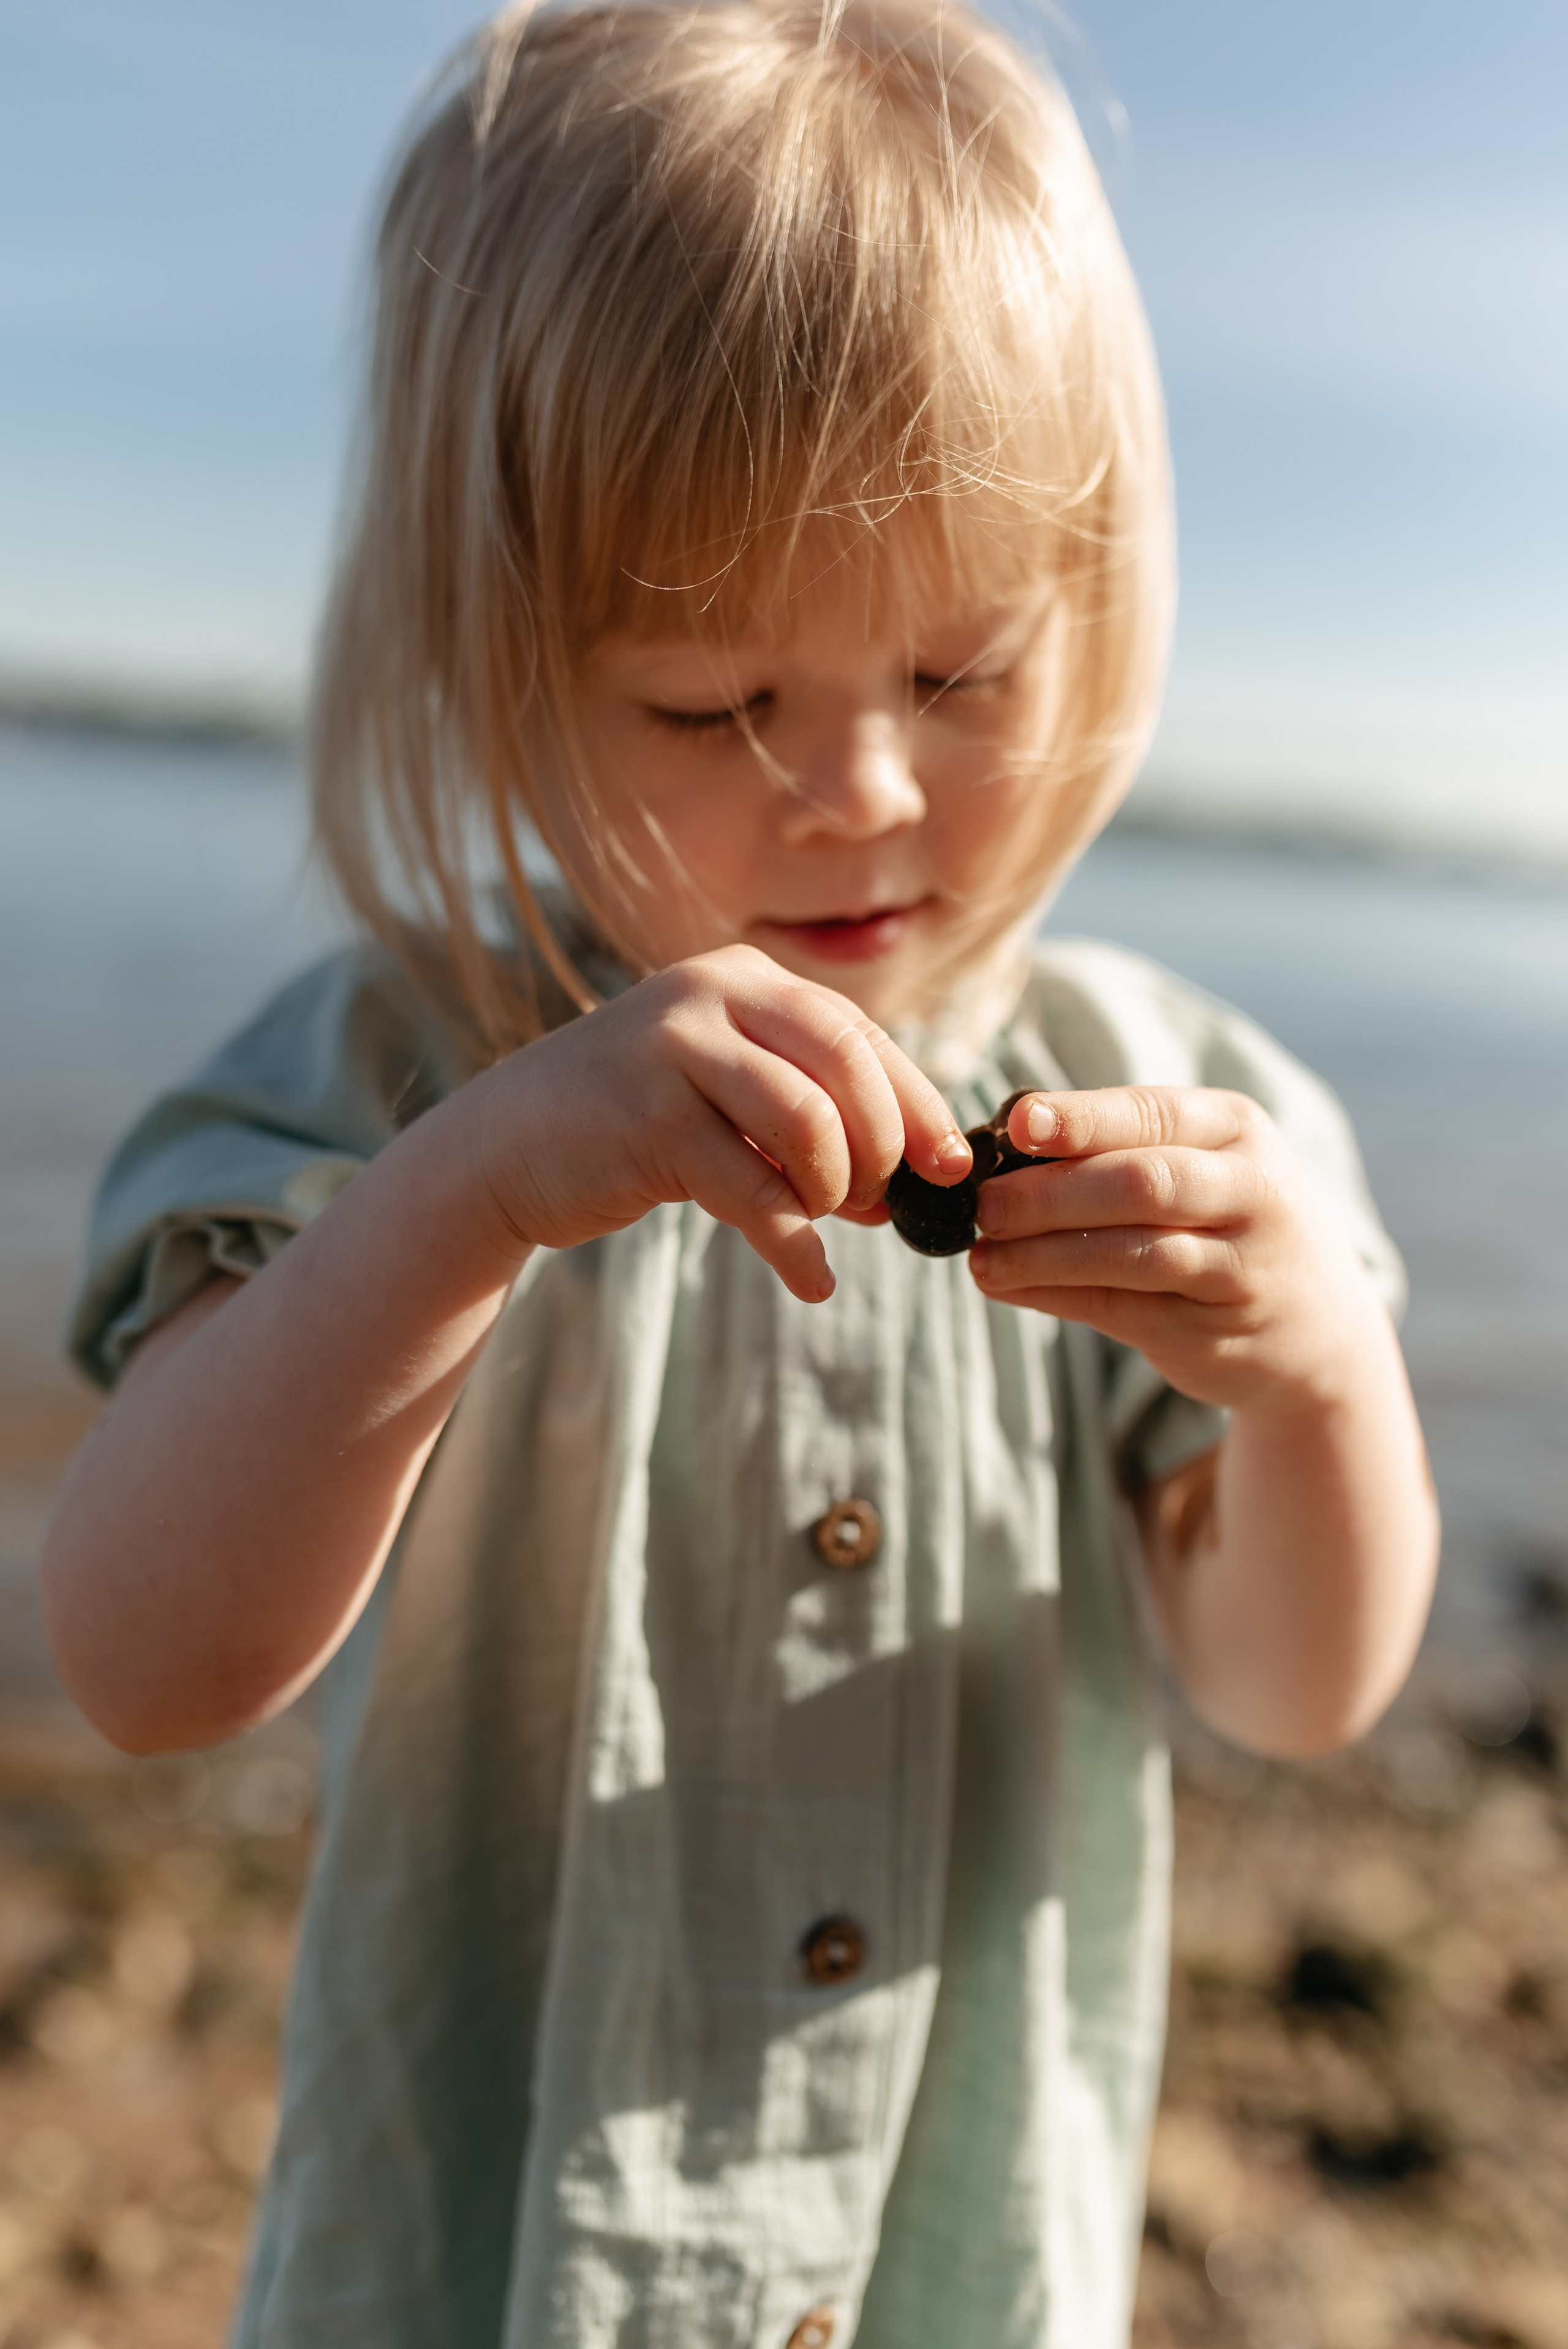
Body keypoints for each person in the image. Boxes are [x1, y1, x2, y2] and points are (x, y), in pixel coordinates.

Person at [40, 1, 1439, 2341]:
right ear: (501, 667)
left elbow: (1294, 1682)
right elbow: (142, 1657)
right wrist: (457, 1205)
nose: (860, 789)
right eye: (710, 705)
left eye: (966, 671)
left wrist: (1308, 1371)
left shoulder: (1171, 1099)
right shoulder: (395, 1084)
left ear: (1090, 611)